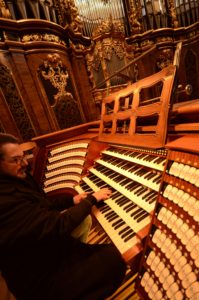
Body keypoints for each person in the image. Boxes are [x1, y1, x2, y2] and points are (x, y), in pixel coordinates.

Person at [0, 133, 127, 300]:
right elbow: (58, 225)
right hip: (39, 276)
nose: (24, 163)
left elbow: (43, 204)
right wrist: (91, 199)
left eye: (23, 157)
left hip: (41, 249)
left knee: (87, 231)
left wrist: (71, 200)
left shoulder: (16, 179)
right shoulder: (5, 202)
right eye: (15, 160)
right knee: (113, 259)